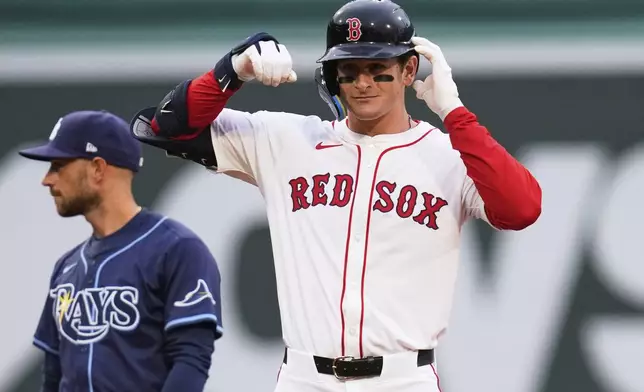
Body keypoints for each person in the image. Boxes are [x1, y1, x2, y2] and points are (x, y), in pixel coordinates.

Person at [129, 0, 542, 391]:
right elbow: (161, 125)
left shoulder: (447, 156)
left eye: (377, 67)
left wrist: (454, 112)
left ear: (408, 68)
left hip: (402, 379)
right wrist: (232, 69)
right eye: (348, 69)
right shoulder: (288, 140)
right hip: (304, 377)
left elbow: (521, 209)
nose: (362, 83)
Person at [19, 110, 223, 392]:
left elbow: (191, 361)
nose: (47, 180)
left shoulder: (176, 249)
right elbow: (53, 374)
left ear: (98, 169)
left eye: (58, 165)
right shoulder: (66, 267)